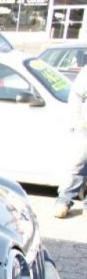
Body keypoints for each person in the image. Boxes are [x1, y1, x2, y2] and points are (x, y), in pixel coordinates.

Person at [54, 64, 87, 218]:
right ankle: (64, 200)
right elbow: (76, 96)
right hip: (85, 127)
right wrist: (76, 121)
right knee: (78, 164)